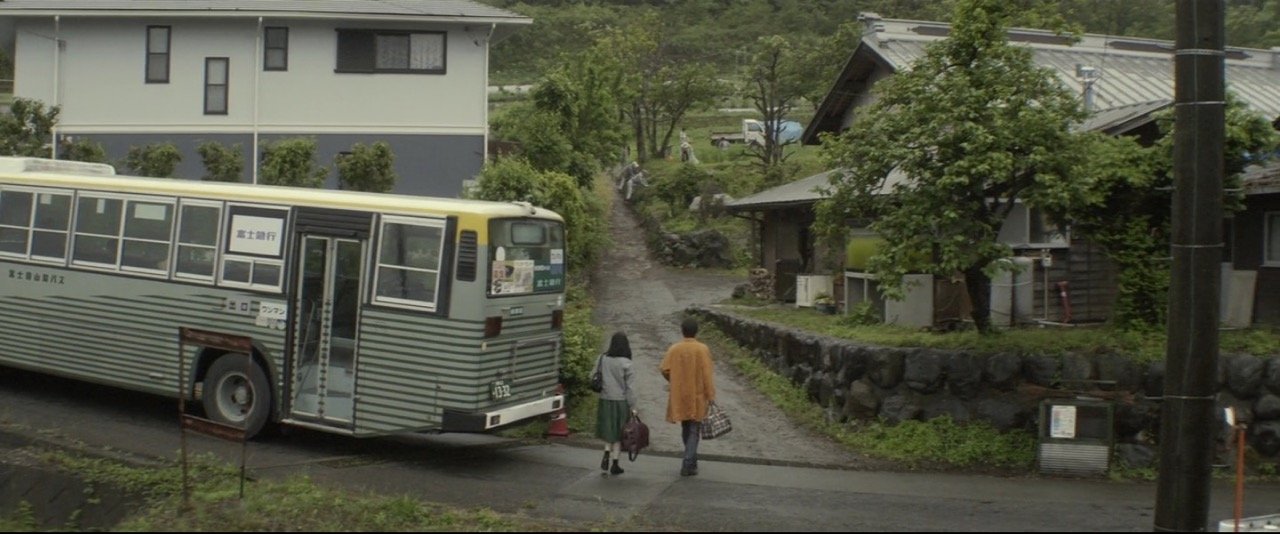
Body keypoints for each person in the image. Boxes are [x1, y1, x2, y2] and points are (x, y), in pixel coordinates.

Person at [660, 318, 716, 477]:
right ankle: (688, 462)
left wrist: (675, 379)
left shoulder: (674, 349)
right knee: (694, 429)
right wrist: (711, 395)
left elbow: (664, 369)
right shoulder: (702, 349)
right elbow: (707, 375)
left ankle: (691, 459)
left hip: (680, 394)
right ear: (696, 331)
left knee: (686, 427)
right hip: (697, 395)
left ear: (682, 331)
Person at [595, 331, 637, 475]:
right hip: (620, 402)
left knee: (608, 430)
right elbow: (630, 388)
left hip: (605, 399)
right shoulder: (627, 363)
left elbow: (592, 375)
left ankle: (606, 452)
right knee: (619, 433)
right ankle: (615, 463)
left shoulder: (602, 358)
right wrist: (633, 406)